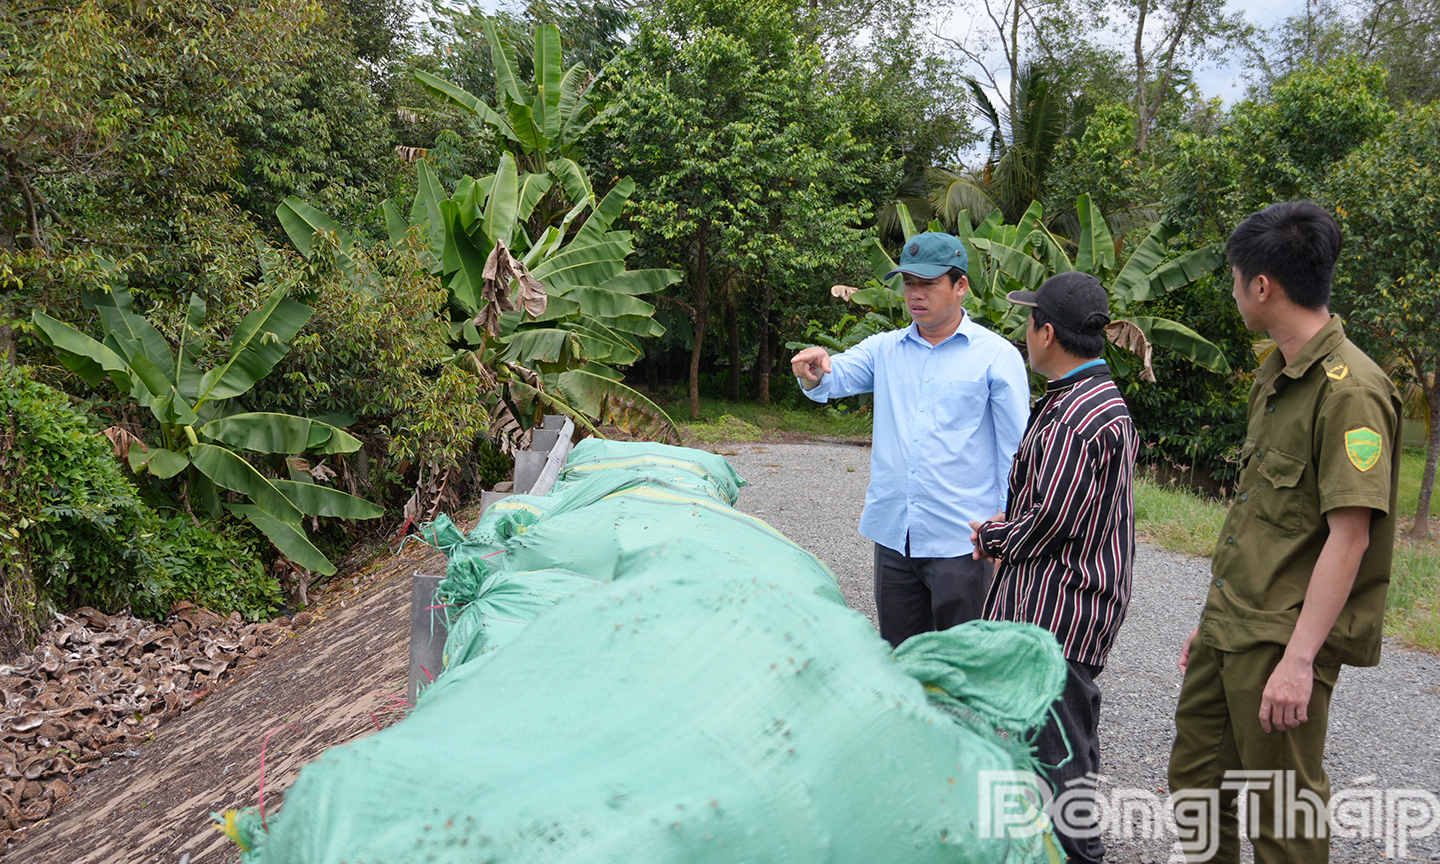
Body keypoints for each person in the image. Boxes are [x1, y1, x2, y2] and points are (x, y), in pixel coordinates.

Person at [1166, 201, 1402, 863]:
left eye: (1235, 279)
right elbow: (1263, 524)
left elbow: (1349, 538)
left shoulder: (1350, 390)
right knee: (1197, 786)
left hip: (1282, 638)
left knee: (1282, 817)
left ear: (1262, 286)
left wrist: (1299, 661)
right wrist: (1210, 619)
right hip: (1231, 625)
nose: (1234, 291)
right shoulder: (1277, 377)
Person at [968, 271, 1138, 864]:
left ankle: (1078, 853)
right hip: (1074, 597)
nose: (1025, 332)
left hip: (1061, 606)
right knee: (1059, 737)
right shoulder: (1094, 397)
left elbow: (1053, 520)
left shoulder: (1074, 415)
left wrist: (992, 535)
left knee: (1061, 746)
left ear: (1046, 332)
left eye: (1029, 321)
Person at [791, 232, 1030, 647]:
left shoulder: (995, 356)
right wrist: (813, 370)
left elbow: (1017, 449)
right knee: (901, 656)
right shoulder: (885, 349)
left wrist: (1007, 520)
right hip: (896, 536)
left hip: (964, 540)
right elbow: (835, 375)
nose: (915, 294)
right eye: (908, 283)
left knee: (965, 659)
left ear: (961, 286)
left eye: (928, 283)